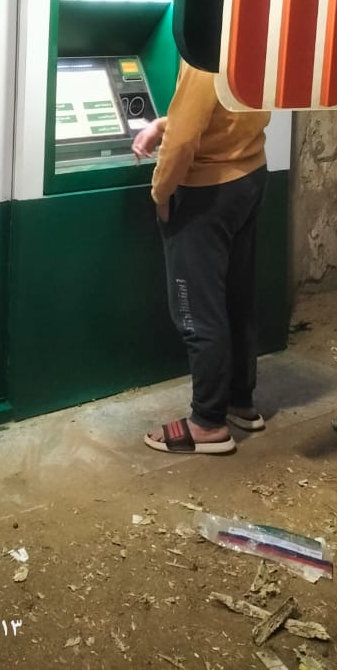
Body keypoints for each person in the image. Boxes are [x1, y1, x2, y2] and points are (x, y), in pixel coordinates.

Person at [132, 61, 269, 455]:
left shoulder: (203, 48)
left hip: (207, 191)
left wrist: (161, 193)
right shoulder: (247, 38)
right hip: (249, 173)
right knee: (235, 299)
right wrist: (162, 125)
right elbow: (224, 112)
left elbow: (184, 139)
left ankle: (208, 423)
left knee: (196, 310)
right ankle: (240, 401)